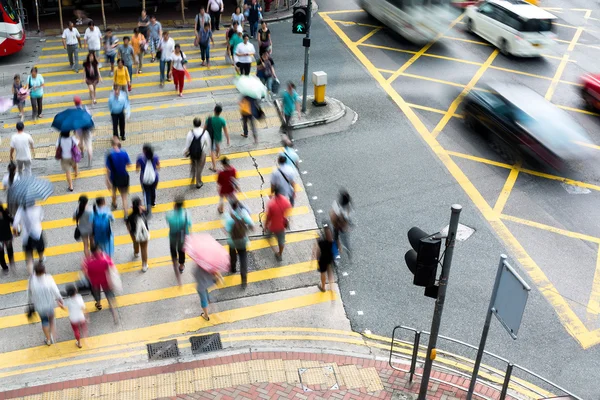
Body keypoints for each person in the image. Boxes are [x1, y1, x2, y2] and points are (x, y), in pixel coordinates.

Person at [27, 262, 63, 346]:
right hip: (50, 304)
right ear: (44, 271)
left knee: (44, 321)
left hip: (39, 306)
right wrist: (60, 299)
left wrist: (30, 303)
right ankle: (53, 336)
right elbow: (56, 291)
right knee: (52, 319)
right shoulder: (48, 278)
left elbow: (29, 293)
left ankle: (48, 340)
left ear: (35, 271)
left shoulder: (31, 280)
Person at [82, 244, 118, 322]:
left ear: (92, 252)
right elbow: (111, 269)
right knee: (109, 296)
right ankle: (114, 314)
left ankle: (98, 304)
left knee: (96, 294)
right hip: (106, 281)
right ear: (100, 250)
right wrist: (111, 282)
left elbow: (84, 271)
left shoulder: (88, 261)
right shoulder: (105, 259)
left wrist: (90, 278)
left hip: (94, 282)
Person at [223, 199, 254, 288]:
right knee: (243, 258)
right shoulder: (243, 214)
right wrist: (246, 230)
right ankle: (244, 280)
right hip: (242, 240)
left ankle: (233, 268)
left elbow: (227, 230)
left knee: (232, 255)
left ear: (231, 206)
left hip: (232, 241)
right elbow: (252, 225)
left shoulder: (229, 216)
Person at [13, 204, 45, 275]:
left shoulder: (21, 209)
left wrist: (15, 232)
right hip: (37, 233)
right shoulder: (38, 207)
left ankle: (32, 275)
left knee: (29, 257)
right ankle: (41, 259)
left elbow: (15, 223)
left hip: (26, 236)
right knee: (40, 248)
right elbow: (41, 218)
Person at [166, 196, 191, 284]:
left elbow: (168, 223)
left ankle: (174, 261)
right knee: (181, 250)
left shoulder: (169, 214)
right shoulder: (186, 213)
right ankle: (181, 265)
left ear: (175, 205)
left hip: (173, 236)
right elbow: (189, 225)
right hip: (182, 236)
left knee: (173, 250)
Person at [265, 185, 291, 261]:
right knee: (281, 241)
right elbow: (288, 208)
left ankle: (272, 246)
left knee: (268, 236)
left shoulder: (271, 204)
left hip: (273, 226)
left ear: (274, 193)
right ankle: (279, 253)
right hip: (281, 226)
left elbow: (268, 217)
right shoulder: (285, 201)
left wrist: (265, 225)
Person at [106, 137, 131, 215]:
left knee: (114, 193)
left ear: (111, 144)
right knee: (124, 197)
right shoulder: (124, 152)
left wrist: (107, 180)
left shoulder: (109, 154)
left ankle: (114, 204)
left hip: (114, 178)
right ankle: (126, 214)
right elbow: (129, 165)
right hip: (124, 176)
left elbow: (107, 169)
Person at [184, 118, 211, 189]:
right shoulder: (204, 132)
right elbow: (208, 143)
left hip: (192, 152)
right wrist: (210, 151)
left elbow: (187, 144)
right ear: (200, 124)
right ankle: (198, 182)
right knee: (200, 167)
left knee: (193, 164)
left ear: (193, 124)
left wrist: (185, 152)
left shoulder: (190, 132)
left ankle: (193, 175)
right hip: (201, 152)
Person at [126, 197, 149, 272]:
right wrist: (143, 209)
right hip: (144, 233)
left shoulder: (130, 216)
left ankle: (136, 253)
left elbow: (127, 224)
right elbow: (149, 213)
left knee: (135, 243)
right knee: (144, 248)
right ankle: (144, 265)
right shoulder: (144, 214)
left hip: (134, 233)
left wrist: (130, 232)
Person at [204, 104, 230, 172]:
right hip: (218, 137)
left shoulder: (209, 119)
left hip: (211, 137)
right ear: (220, 112)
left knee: (212, 151)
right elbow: (225, 131)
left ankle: (214, 167)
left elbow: (204, 129)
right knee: (217, 146)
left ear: (214, 110)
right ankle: (217, 154)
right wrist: (228, 139)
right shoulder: (222, 120)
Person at [330, 190, 353, 262]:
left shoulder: (336, 205)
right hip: (342, 225)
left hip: (337, 225)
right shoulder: (349, 206)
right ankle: (346, 249)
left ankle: (337, 253)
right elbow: (348, 217)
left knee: (335, 237)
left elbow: (332, 216)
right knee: (344, 239)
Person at [136, 144, 160, 211]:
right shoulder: (155, 157)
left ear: (144, 151)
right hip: (154, 178)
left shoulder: (140, 158)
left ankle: (148, 206)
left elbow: (137, 169)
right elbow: (158, 166)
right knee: (153, 189)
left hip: (144, 178)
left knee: (146, 192)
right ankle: (153, 202)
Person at [314, 223, 335, 292]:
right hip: (330, 257)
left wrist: (317, 259)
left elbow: (318, 252)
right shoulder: (332, 241)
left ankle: (323, 287)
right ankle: (331, 287)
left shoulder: (321, 242)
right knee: (329, 271)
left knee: (323, 272)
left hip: (323, 259)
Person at [74, 96, 93, 167]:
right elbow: (90, 117)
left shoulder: (74, 111)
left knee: (80, 142)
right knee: (89, 144)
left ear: (74, 103)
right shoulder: (85, 109)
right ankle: (90, 162)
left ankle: (81, 153)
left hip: (79, 130)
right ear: (81, 102)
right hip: (87, 129)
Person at [0, 205, 14, 272]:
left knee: (8, 251)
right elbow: (13, 221)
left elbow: (13, 221)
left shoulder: (6, 214)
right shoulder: (6, 214)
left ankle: (7, 265)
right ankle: (5, 266)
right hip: (5, 238)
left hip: (7, 238)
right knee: (2, 253)